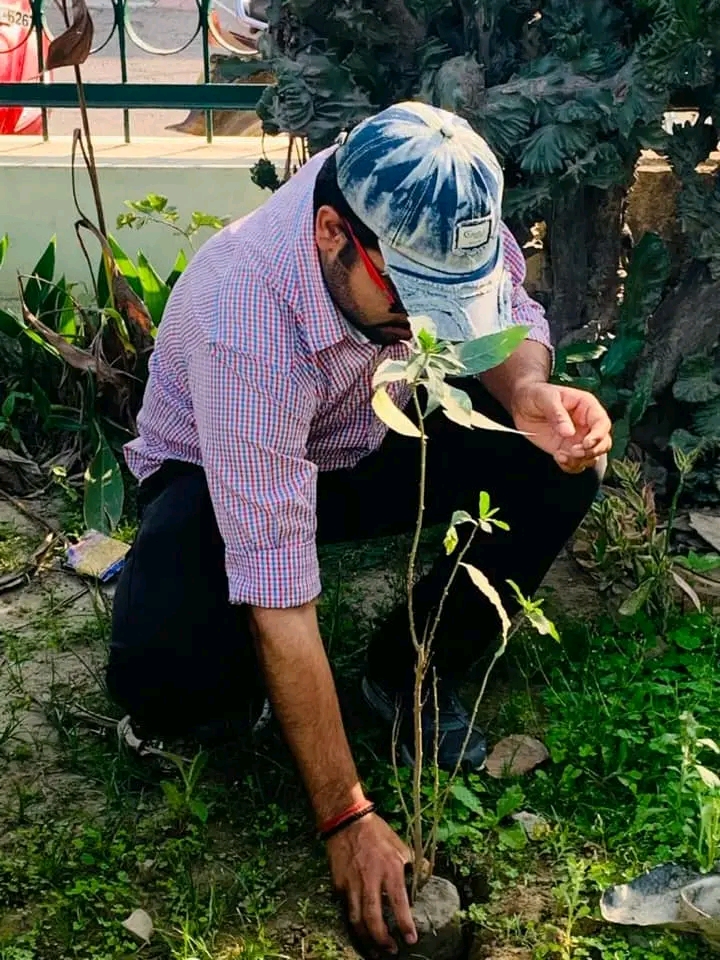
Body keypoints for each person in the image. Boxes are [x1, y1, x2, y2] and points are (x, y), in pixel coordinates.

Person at [107, 101, 611, 953]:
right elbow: (279, 589)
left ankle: (404, 672)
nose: (426, 325)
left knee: (559, 460)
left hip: (371, 428)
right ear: (332, 233)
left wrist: (527, 394)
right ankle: (231, 682)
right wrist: (347, 813)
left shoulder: (421, 186)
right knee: (171, 685)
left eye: (443, 300)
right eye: (411, 299)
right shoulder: (247, 314)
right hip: (216, 470)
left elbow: (507, 322)